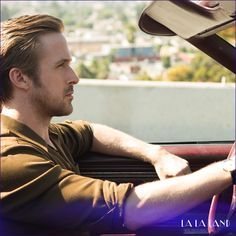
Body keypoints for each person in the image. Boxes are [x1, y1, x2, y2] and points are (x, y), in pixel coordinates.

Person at [0, 14, 235, 236]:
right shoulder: (11, 158)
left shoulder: (45, 135)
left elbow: (90, 132)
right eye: (61, 65)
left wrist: (157, 154)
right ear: (21, 78)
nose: (74, 77)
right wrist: (228, 170)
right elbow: (130, 209)